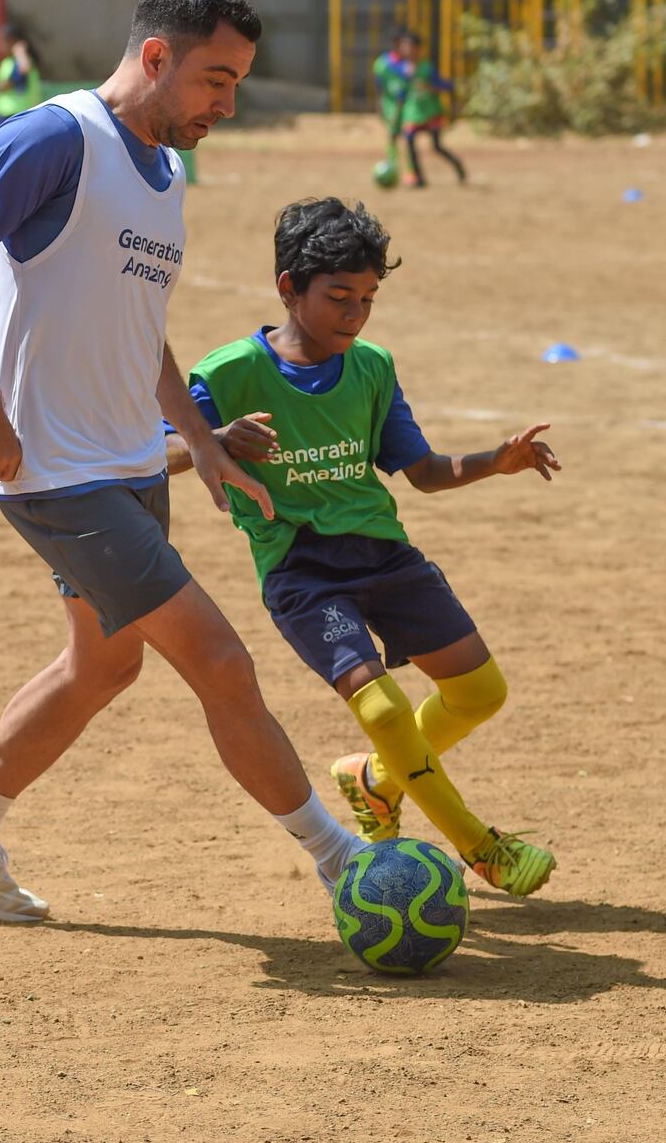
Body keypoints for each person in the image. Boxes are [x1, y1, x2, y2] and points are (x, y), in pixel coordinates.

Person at [0, 0, 364, 924]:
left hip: (128, 463)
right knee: (223, 662)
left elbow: (137, 325)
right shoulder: (53, 138)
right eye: (215, 81)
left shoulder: (167, 169)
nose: (227, 106)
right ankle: (343, 859)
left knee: (103, 666)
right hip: (59, 475)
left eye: (236, 85)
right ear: (156, 57)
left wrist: (199, 438)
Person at [165, 197, 558, 897]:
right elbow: (153, 450)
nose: (356, 312)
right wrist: (211, 441)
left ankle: (375, 781)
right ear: (289, 289)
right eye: (339, 296)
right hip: (301, 569)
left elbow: (425, 472)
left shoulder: (372, 367)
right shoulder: (227, 374)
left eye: (369, 298)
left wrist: (494, 462)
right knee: (378, 707)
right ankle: (481, 848)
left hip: (384, 555)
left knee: (478, 691)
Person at [398, 32, 466, 188]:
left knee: (436, 147)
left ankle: (458, 167)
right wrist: (397, 113)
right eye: (404, 46)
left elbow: (446, 86)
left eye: (409, 46)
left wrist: (431, 87)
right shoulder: (403, 70)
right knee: (409, 143)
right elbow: (402, 93)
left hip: (431, 113)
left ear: (417, 49)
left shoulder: (427, 68)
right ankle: (419, 179)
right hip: (413, 113)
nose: (406, 49)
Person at [371, 28, 411, 179]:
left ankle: (411, 171)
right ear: (396, 44)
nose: (407, 47)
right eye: (404, 44)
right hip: (391, 106)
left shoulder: (411, 65)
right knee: (392, 136)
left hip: (408, 106)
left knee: (409, 138)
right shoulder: (382, 64)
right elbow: (378, 87)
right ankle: (392, 168)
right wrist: (379, 106)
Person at [0, 23, 43, 118]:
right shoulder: (8, 61)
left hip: (21, 113)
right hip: (6, 113)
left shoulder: (24, 59)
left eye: (2, 40)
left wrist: (20, 51)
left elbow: (24, 69)